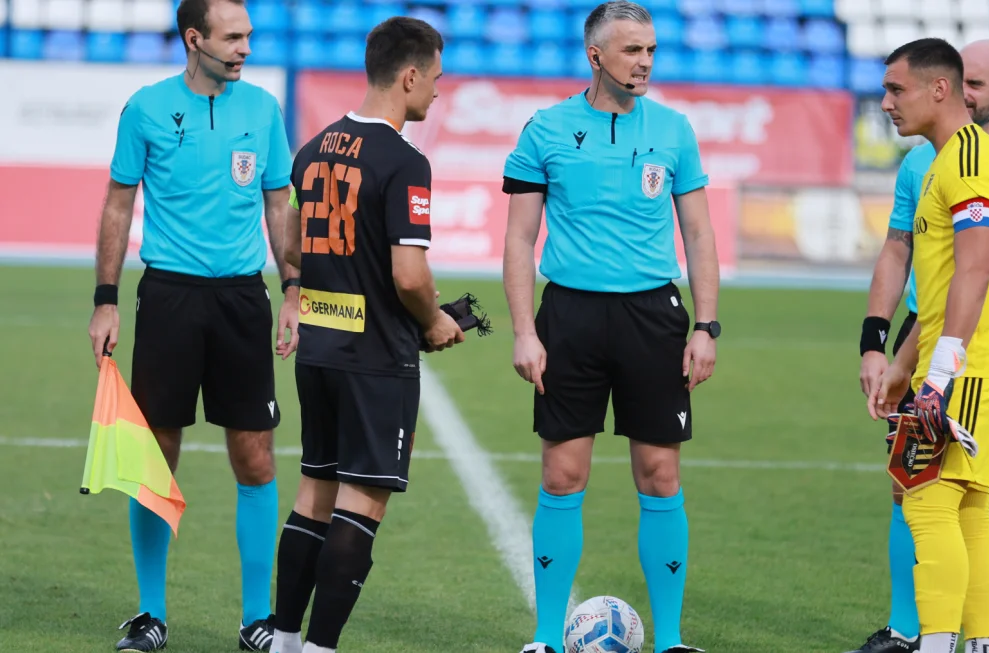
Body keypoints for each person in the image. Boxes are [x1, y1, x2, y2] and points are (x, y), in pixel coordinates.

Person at [501, 3, 718, 652]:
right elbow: (518, 240)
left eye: (650, 50)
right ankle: (545, 637)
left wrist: (705, 326)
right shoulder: (544, 129)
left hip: (653, 318)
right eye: (632, 50)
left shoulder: (674, 129)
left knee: (660, 475)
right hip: (569, 317)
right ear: (595, 56)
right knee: (562, 475)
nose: (645, 62)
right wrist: (523, 330)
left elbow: (699, 234)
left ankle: (670, 640)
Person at [86, 0, 296, 649]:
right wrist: (105, 298)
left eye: (248, 37)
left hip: (242, 299)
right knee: (156, 455)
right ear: (194, 38)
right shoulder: (145, 108)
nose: (245, 48)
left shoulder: (263, 108)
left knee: (255, 457)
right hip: (169, 298)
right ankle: (150, 614)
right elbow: (118, 203)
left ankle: (257, 619)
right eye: (232, 38)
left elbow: (279, 203)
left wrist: (293, 289)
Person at [851, 40, 989, 653]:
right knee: (971, 512)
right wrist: (903, 362)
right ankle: (979, 646)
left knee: (927, 502)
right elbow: (943, 283)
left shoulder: (969, 161)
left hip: (971, 367)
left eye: (896, 89)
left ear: (938, 90)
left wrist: (939, 376)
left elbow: (975, 270)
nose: (886, 103)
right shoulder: (946, 160)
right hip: (970, 361)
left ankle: (937, 644)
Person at [267, 17, 463, 653]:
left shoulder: (312, 150)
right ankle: (320, 648)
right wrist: (433, 319)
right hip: (375, 360)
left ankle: (285, 639)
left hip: (320, 352)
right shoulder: (405, 162)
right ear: (409, 76)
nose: (437, 89)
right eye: (434, 77)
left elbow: (292, 247)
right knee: (361, 504)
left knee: (313, 495)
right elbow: (409, 275)